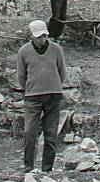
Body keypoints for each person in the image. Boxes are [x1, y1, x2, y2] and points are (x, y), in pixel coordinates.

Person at [17, 20, 67, 173]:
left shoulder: (56, 49)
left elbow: (62, 72)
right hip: (33, 97)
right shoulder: (24, 51)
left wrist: (53, 86)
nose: (42, 39)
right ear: (31, 36)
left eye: (45, 36)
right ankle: (28, 168)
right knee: (29, 133)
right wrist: (30, 89)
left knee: (51, 135)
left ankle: (47, 169)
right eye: (39, 37)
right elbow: (21, 76)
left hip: (53, 96)